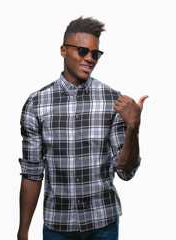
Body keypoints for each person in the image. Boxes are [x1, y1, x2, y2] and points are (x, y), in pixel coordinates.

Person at [17, 16, 148, 240]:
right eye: (82, 51)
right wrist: (23, 231)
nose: (90, 58)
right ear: (63, 50)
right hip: (58, 225)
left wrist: (133, 127)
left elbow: (126, 172)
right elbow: (32, 173)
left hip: (103, 225)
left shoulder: (113, 100)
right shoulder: (36, 104)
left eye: (95, 53)